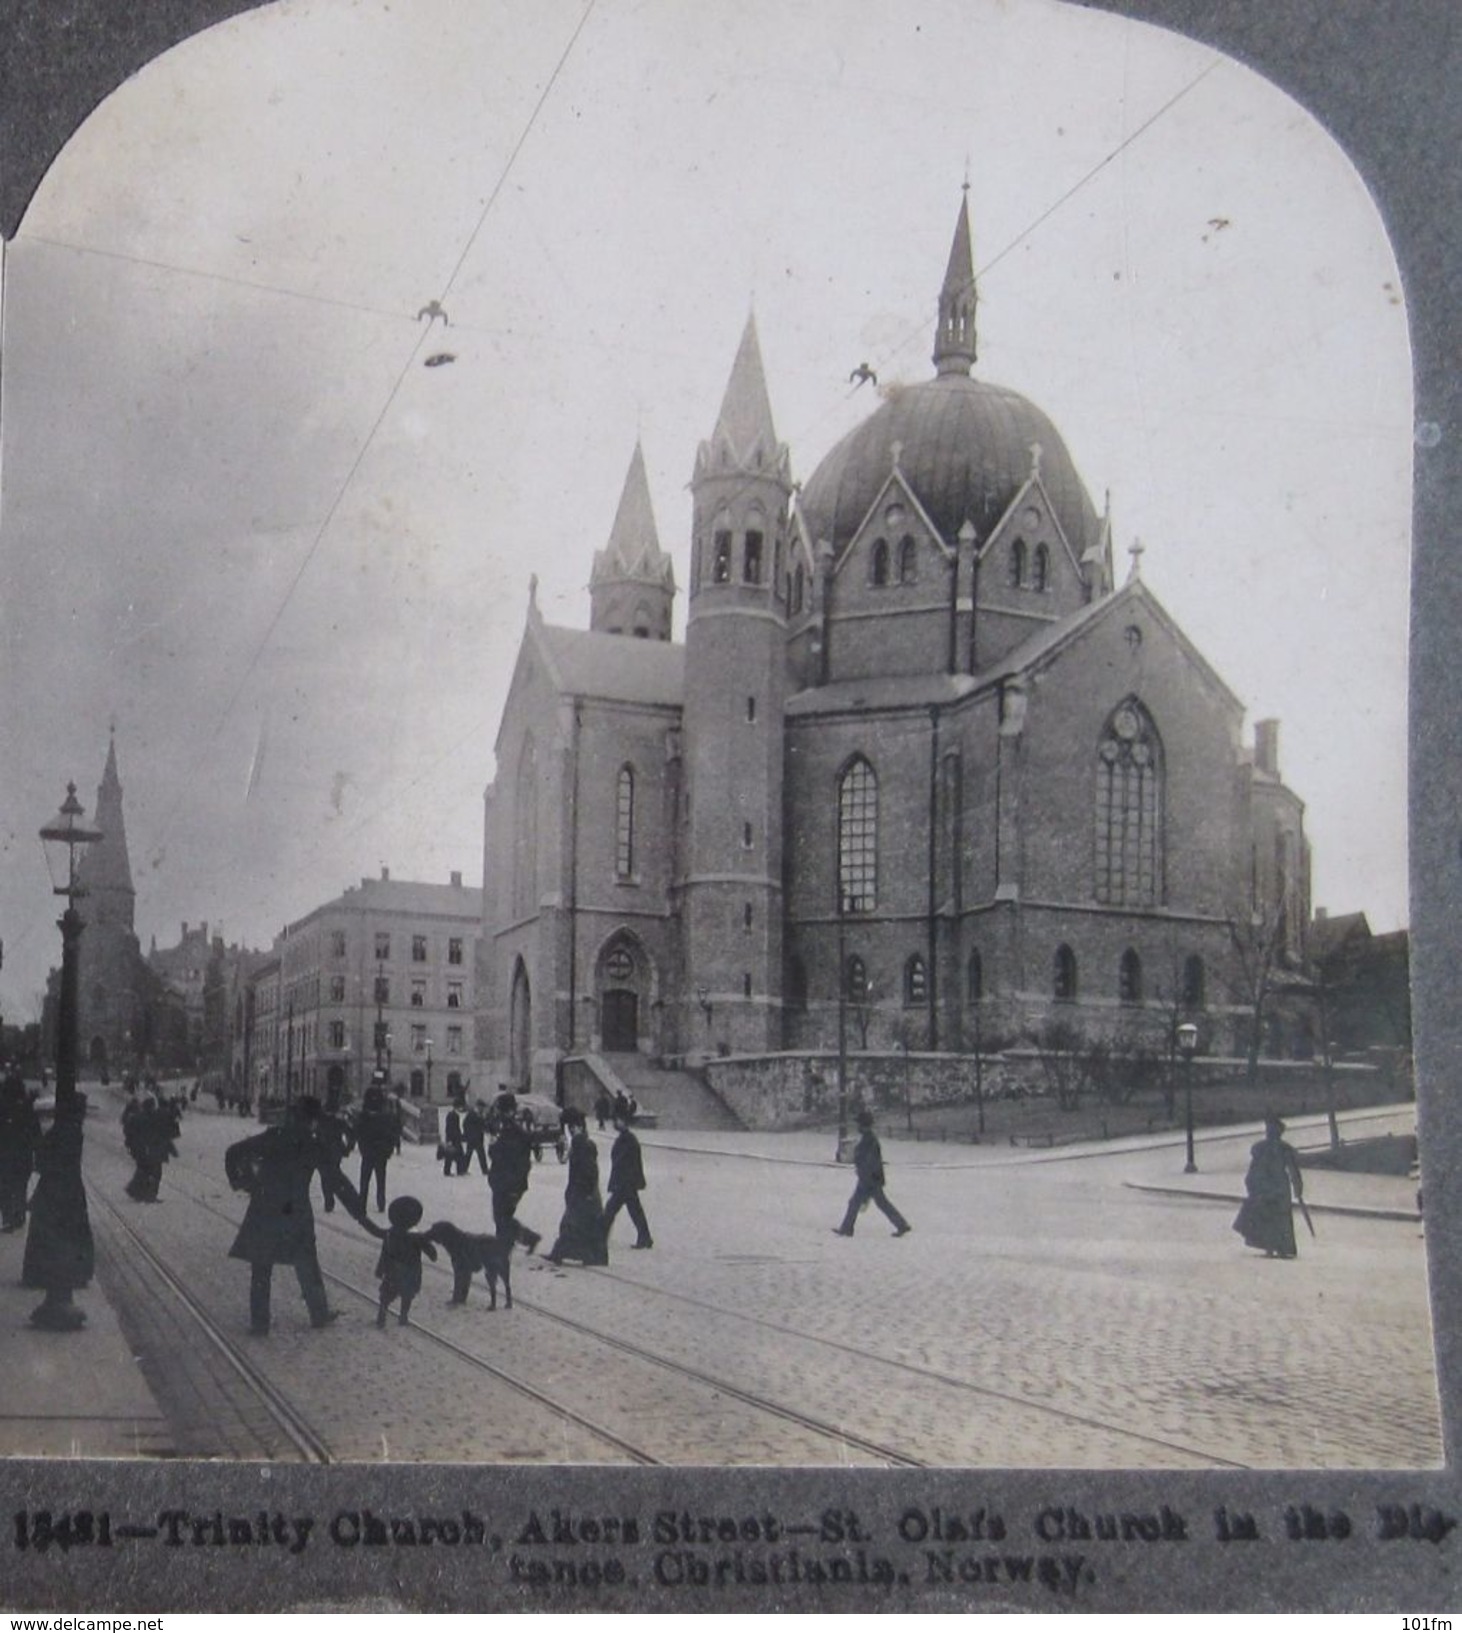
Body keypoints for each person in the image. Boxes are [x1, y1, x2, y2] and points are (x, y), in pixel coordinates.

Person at [225, 1096, 352, 1336]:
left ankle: (259, 1323)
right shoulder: (313, 1144)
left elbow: (233, 1152)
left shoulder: (273, 1137)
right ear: (313, 1121)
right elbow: (336, 1181)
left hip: (265, 1208)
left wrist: (244, 1182)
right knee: (307, 1263)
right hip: (297, 1211)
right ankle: (319, 1313)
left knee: (261, 1267)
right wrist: (362, 1216)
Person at [23, 1095, 94, 1330]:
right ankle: (60, 1298)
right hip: (66, 1193)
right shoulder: (72, 1131)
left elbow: (42, 1161)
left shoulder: (60, 1130)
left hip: (55, 1192)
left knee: (54, 1242)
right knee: (65, 1242)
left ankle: (55, 1296)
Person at [1233, 1114, 1306, 1259]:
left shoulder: (1266, 1148)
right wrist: (1297, 1187)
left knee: (1273, 1217)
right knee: (1274, 1217)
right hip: (1274, 1186)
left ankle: (1273, 1246)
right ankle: (1276, 1247)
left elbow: (1292, 1169)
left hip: (1270, 1186)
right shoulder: (1274, 1148)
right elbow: (1292, 1170)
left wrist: (1297, 1186)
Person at [360, 1195, 437, 1327]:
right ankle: (403, 1316)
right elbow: (431, 1252)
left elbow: (376, 1231)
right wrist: (433, 1254)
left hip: (392, 1270)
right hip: (411, 1271)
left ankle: (382, 1313)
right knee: (407, 1294)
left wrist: (363, 1220)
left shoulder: (390, 1233)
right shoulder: (417, 1237)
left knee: (387, 1294)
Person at [833, 1109, 912, 1238]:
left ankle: (847, 1229)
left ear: (863, 1125)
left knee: (859, 1203)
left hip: (869, 1179)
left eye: (859, 1124)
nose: (857, 1126)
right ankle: (901, 1225)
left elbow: (869, 1160)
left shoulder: (869, 1140)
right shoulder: (869, 1138)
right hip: (870, 1178)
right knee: (878, 1203)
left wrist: (865, 1175)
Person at [547, 1108, 608, 1266]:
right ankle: (590, 1256)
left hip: (583, 1192)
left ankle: (561, 1253)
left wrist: (584, 1191)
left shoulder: (582, 1144)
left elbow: (588, 1171)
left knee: (572, 1224)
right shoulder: (582, 1142)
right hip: (584, 1192)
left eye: (571, 1127)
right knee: (581, 1225)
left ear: (577, 1127)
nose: (570, 1130)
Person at [487, 1095, 542, 1253]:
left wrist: (493, 1146)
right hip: (507, 1181)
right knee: (503, 1217)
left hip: (508, 1182)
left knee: (501, 1217)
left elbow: (502, 1156)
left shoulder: (510, 1131)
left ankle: (521, 1240)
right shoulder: (510, 1129)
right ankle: (513, 1242)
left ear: (507, 1111)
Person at [602, 1112, 653, 1249]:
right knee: (634, 1211)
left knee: (610, 1210)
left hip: (625, 1183)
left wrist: (620, 1182)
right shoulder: (626, 1138)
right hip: (627, 1183)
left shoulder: (628, 1140)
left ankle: (599, 1237)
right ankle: (645, 1238)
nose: (615, 1123)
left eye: (617, 1120)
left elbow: (623, 1163)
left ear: (624, 1122)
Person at [0, 1071, 41, 1233]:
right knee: (19, 1186)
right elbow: (35, 1134)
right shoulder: (26, 1109)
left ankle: (9, 1217)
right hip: (22, 1156)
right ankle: (18, 1215)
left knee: (5, 1187)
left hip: (4, 1156)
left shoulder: (2, 1108)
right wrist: (38, 1154)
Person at [355, 1083, 401, 1214]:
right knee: (380, 1179)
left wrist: (363, 1148)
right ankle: (380, 1202)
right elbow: (392, 1135)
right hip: (380, 1153)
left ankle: (362, 1203)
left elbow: (359, 1134)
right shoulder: (386, 1117)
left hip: (369, 1152)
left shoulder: (364, 1117)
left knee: (365, 1179)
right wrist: (388, 1150)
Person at [317, 1102, 356, 1214]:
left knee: (325, 1176)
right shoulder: (339, 1122)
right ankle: (333, 1197)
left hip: (322, 1151)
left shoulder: (320, 1121)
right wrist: (348, 1148)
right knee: (333, 1173)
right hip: (335, 1151)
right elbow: (351, 1134)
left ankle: (328, 1200)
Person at [440, 1097, 467, 1177]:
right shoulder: (453, 1116)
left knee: (455, 1155)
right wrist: (450, 1139)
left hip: (454, 1137)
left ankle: (455, 1170)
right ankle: (456, 1170)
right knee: (455, 1155)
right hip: (454, 1138)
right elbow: (451, 1128)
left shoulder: (452, 1115)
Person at [462, 1099, 489, 1174]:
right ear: (479, 1106)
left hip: (478, 1138)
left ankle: (484, 1170)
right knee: (471, 1154)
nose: (483, 1109)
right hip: (473, 1138)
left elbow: (482, 1125)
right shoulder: (472, 1114)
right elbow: (465, 1125)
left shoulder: (479, 1114)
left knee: (478, 1154)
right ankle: (464, 1169)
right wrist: (468, 1134)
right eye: (482, 1107)